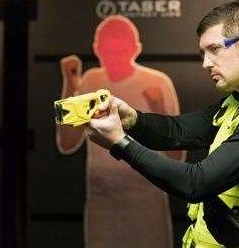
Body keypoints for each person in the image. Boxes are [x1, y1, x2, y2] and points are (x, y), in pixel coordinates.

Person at [86, 1, 239, 247]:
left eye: (215, 49)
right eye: (203, 53)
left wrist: (119, 143)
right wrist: (131, 119)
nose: (206, 63)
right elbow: (176, 132)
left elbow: (195, 183)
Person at [57, 15, 184, 248]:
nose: (114, 57)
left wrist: (158, 108)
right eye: (108, 50)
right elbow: (67, 142)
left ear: (136, 49)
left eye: (120, 50)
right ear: (97, 50)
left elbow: (178, 154)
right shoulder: (90, 80)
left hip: (147, 199)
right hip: (102, 200)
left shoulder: (156, 82)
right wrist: (71, 84)